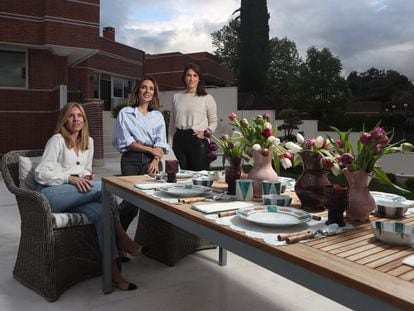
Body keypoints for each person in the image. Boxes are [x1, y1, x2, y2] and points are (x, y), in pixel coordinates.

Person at [34, 102, 139, 291]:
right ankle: (123, 238)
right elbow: (40, 173)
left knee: (102, 213)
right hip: (51, 195)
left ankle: (113, 273)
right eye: (71, 115)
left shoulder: (88, 142)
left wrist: (84, 176)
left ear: (84, 119)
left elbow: (85, 170)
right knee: (105, 188)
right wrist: (70, 178)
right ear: (64, 119)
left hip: (76, 196)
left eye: (79, 115)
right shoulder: (57, 140)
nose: (76, 119)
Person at [112, 76, 169, 234]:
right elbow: (127, 142)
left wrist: (156, 160)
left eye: (151, 88)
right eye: (144, 87)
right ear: (138, 90)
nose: (147, 91)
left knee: (153, 201)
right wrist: (150, 150)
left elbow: (161, 142)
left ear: (154, 93)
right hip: (131, 159)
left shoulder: (158, 116)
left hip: (153, 162)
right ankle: (118, 238)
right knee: (131, 202)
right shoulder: (126, 113)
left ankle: (145, 239)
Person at [168, 62, 218, 171]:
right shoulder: (176, 97)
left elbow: (214, 121)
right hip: (179, 140)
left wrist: (206, 133)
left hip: (197, 140)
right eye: (188, 75)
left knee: (199, 177)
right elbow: (172, 123)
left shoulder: (207, 98)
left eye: (195, 75)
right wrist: (170, 144)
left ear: (199, 79)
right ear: (184, 78)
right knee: (180, 178)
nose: (191, 79)